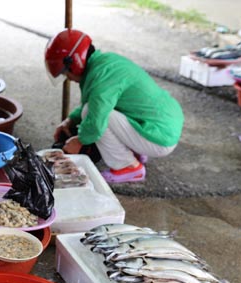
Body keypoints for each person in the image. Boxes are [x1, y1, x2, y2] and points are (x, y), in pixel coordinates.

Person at [45, 29, 184, 183]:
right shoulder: (105, 64)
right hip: (161, 124)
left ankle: (129, 167)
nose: (69, 79)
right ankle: (135, 149)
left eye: (66, 74)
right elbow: (97, 102)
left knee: (92, 115)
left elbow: (95, 122)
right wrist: (70, 120)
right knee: (96, 110)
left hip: (158, 137)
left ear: (74, 64)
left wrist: (79, 141)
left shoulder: (101, 77)